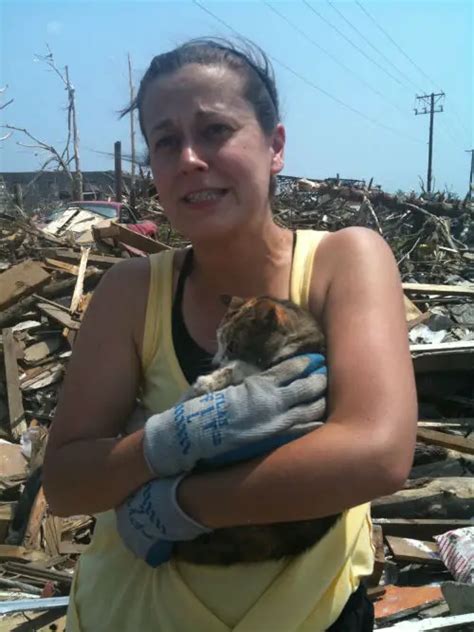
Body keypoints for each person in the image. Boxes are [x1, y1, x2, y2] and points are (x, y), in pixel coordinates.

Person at [43, 39, 417, 631]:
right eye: (166, 141)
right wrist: (167, 441)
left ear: (275, 146)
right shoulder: (131, 291)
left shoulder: (342, 263)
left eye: (215, 129)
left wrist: (178, 504)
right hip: (133, 613)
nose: (190, 157)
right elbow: (64, 484)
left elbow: (375, 454)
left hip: (305, 615)